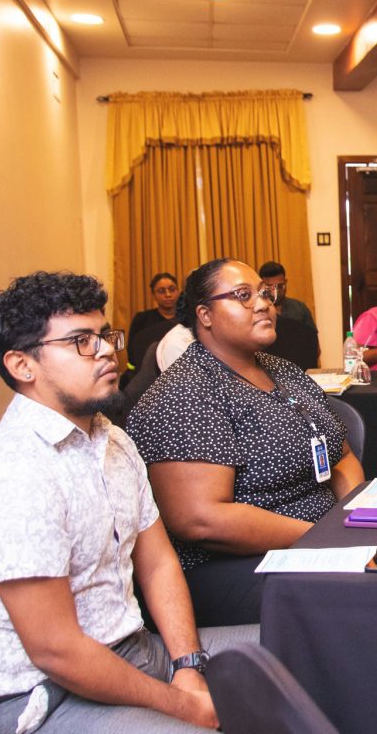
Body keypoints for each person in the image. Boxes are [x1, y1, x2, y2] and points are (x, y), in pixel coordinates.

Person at [0, 271, 254, 734]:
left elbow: (157, 564)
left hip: (132, 652)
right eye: (80, 341)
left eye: (103, 335)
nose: (104, 351)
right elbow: (58, 651)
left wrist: (189, 668)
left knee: (303, 647)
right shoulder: (16, 472)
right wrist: (187, 706)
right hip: (43, 702)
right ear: (22, 365)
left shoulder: (110, 438)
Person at [127, 259, 364, 626]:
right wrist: (324, 537)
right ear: (205, 315)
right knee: (370, 596)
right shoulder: (186, 391)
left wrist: (353, 518)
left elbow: (340, 452)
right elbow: (202, 520)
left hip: (324, 538)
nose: (263, 303)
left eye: (264, 293)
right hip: (226, 568)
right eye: (243, 295)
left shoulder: (281, 369)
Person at [126, 273, 180, 373]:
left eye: (172, 289)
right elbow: (132, 351)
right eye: (161, 291)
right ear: (153, 295)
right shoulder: (142, 319)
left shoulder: (187, 318)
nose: (168, 294)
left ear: (178, 291)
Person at [258, 260, 315, 330]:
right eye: (270, 287)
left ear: (285, 282)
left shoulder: (299, 309)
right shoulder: (256, 311)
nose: (275, 291)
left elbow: (312, 338)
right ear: (261, 285)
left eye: (280, 286)